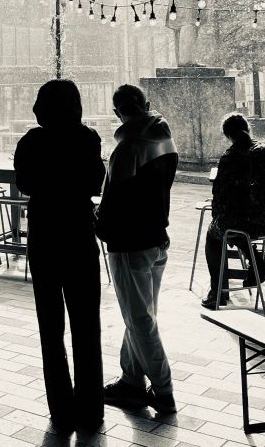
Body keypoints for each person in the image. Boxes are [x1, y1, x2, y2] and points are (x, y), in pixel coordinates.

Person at [14, 80, 107, 430]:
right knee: (86, 325)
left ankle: (61, 407)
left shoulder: (30, 142)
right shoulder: (88, 138)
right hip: (78, 233)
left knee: (50, 328)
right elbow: (95, 183)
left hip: (44, 234)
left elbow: (24, 184)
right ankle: (91, 407)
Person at [95, 84, 179, 414]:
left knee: (140, 319)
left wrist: (97, 220)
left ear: (118, 112)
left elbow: (114, 201)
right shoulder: (164, 138)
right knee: (141, 314)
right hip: (157, 236)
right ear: (147, 104)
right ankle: (131, 379)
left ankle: (164, 390)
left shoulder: (127, 148)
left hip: (129, 243)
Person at [202, 113, 265, 309]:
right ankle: (257, 264)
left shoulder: (231, 158)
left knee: (215, 233)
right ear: (248, 129)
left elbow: (220, 198)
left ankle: (217, 293)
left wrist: (218, 218)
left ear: (227, 135)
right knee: (235, 221)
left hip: (248, 224)